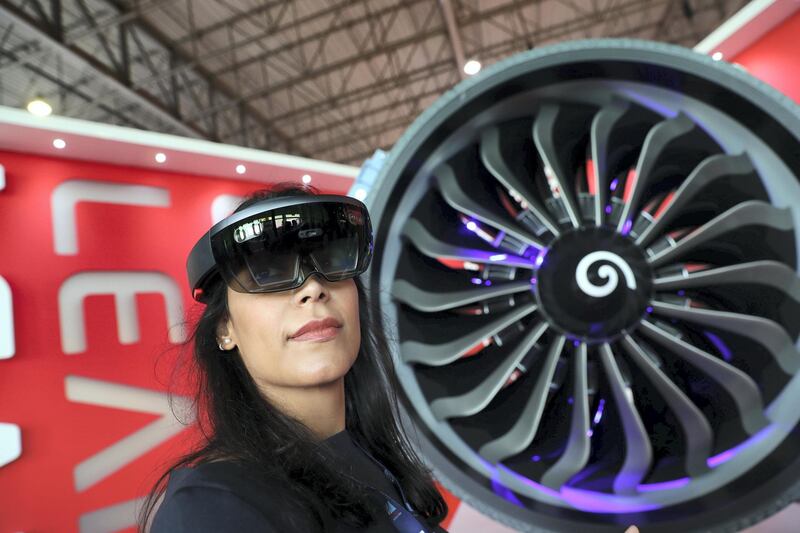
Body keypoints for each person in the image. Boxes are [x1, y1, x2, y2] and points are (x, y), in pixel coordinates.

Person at [139, 183, 449, 532]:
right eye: (269, 272)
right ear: (225, 329)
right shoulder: (213, 508)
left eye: (331, 261)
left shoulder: (378, 461)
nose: (313, 288)